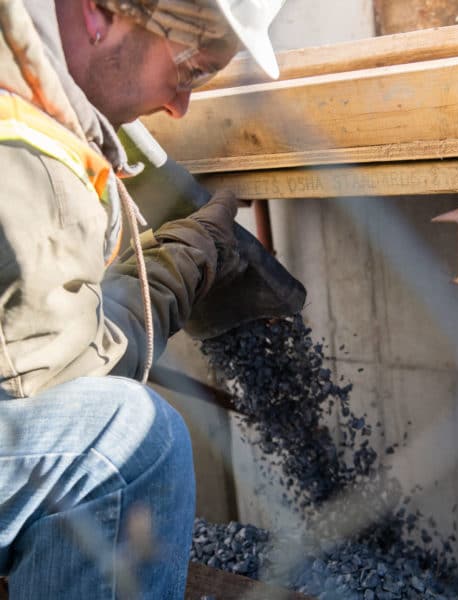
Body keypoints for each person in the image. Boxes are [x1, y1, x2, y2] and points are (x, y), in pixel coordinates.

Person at [0, 0, 285, 597]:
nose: (180, 107)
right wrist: (181, 263)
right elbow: (56, 382)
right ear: (96, 13)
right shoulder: (25, 152)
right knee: (130, 440)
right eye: (189, 70)